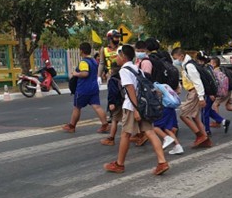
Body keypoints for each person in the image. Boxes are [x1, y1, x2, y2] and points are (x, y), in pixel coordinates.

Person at [104, 44, 169, 175]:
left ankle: (119, 164)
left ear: (123, 56)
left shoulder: (124, 70)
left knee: (125, 134)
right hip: (143, 105)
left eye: (117, 55)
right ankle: (162, 162)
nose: (116, 58)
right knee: (150, 132)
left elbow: (130, 89)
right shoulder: (136, 68)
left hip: (132, 106)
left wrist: (135, 109)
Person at [62, 42, 109, 134]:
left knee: (77, 107)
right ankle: (105, 124)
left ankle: (72, 126)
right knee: (97, 106)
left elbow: (85, 73)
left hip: (83, 89)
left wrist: (76, 73)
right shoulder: (94, 61)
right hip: (93, 87)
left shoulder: (84, 62)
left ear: (81, 51)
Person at [171, 47, 212, 148]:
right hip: (194, 92)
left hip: (194, 92)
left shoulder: (189, 66)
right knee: (195, 117)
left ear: (181, 56)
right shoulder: (188, 64)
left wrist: (201, 98)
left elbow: (197, 82)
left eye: (175, 58)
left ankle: (200, 136)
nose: (175, 61)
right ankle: (206, 139)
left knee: (183, 114)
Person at [101, 60, 124, 146]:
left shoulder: (113, 79)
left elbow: (112, 92)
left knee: (114, 120)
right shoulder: (123, 76)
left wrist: (111, 103)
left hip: (117, 102)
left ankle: (111, 138)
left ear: (112, 69)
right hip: (125, 100)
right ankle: (139, 135)